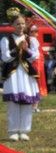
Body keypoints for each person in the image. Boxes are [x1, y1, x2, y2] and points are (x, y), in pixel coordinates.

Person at [1, 8, 41, 141]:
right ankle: (13, 130)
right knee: (13, 102)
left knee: (26, 101)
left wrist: (26, 50)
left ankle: (24, 130)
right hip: (13, 74)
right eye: (17, 24)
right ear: (12, 25)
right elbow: (6, 57)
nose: (20, 26)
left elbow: (35, 56)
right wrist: (16, 49)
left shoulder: (31, 40)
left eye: (23, 23)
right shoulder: (6, 40)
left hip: (26, 74)